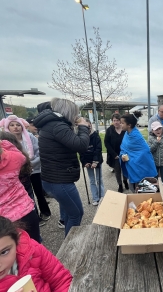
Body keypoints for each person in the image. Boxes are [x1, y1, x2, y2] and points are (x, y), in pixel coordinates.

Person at [33, 98, 90, 236]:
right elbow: (81, 145)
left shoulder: (52, 125)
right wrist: (83, 126)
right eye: (75, 113)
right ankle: (70, 248)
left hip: (55, 178)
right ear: (68, 112)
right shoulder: (57, 126)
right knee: (76, 214)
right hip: (59, 180)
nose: (76, 116)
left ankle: (69, 242)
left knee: (74, 212)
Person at [0, 115, 51, 223]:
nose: (15, 127)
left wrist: (30, 164)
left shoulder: (29, 136)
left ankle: (45, 211)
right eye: (12, 125)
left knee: (39, 191)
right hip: (20, 172)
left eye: (18, 125)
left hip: (34, 168)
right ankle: (34, 215)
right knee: (27, 193)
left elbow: (39, 152)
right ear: (7, 127)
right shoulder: (6, 140)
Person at [0, 140, 40, 243]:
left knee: (11, 253)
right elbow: (22, 157)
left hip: (4, 220)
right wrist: (5, 143)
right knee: (34, 245)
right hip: (25, 210)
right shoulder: (14, 158)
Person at [120, 111, 157, 192]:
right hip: (130, 166)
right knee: (132, 188)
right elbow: (124, 147)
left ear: (129, 125)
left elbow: (145, 151)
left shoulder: (136, 136)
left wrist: (132, 159)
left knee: (140, 190)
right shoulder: (127, 134)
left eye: (122, 123)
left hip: (139, 167)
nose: (120, 125)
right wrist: (122, 155)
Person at [79, 118, 104, 206]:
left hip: (96, 160)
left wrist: (95, 161)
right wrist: (84, 162)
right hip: (88, 161)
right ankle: (95, 198)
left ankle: (102, 197)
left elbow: (98, 149)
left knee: (99, 179)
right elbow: (80, 151)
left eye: (89, 126)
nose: (88, 129)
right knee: (92, 180)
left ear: (90, 125)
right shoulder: (81, 136)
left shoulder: (95, 135)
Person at [104, 113, 129, 193]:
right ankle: (120, 185)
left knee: (125, 169)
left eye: (117, 120)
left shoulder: (124, 130)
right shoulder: (109, 130)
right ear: (112, 121)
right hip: (115, 155)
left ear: (120, 121)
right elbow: (106, 142)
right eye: (114, 120)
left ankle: (125, 181)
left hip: (125, 154)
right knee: (117, 171)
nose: (116, 122)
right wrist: (113, 154)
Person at [148, 121, 163, 190]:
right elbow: (150, 150)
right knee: (154, 178)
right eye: (156, 129)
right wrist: (156, 142)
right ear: (152, 131)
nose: (158, 131)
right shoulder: (150, 139)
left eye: (159, 129)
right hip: (154, 163)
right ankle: (157, 191)